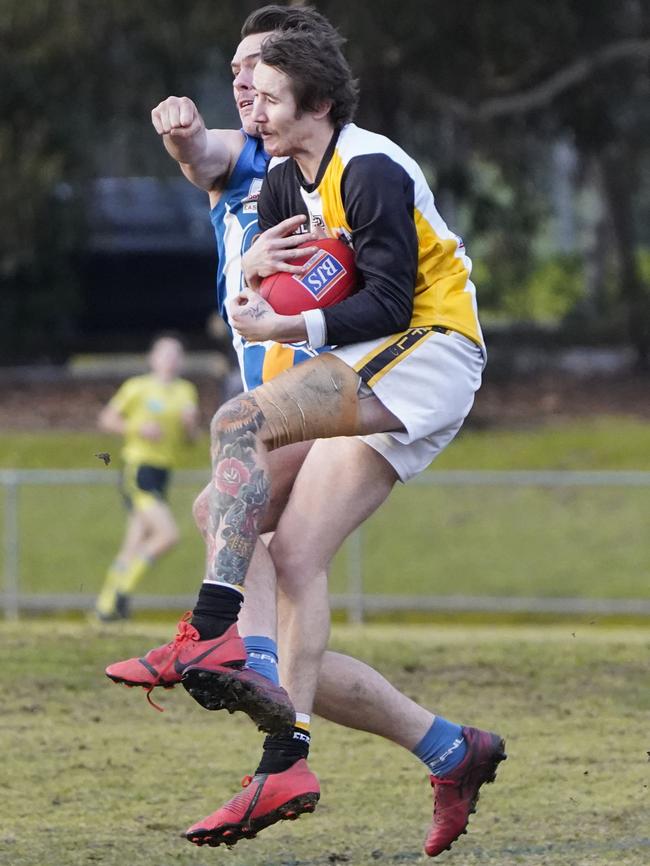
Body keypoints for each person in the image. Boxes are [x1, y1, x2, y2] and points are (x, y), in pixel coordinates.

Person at [105, 7, 506, 858]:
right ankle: (333, 754)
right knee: (277, 545)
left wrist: (287, 330)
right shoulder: (286, 179)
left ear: (315, 99)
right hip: (371, 361)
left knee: (237, 421)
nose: (246, 104)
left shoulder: (370, 168)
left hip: (427, 351)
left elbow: (391, 302)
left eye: (266, 91)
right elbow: (298, 276)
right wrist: (255, 279)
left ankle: (216, 631)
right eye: (243, 87)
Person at [95, 334, 199, 621]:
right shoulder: (138, 387)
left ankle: (105, 608)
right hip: (139, 470)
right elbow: (107, 419)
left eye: (176, 354)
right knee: (167, 535)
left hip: (164, 471)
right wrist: (137, 430)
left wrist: (190, 427)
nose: (170, 360)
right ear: (153, 358)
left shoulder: (185, 391)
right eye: (164, 354)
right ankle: (122, 591)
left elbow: (190, 439)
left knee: (133, 543)